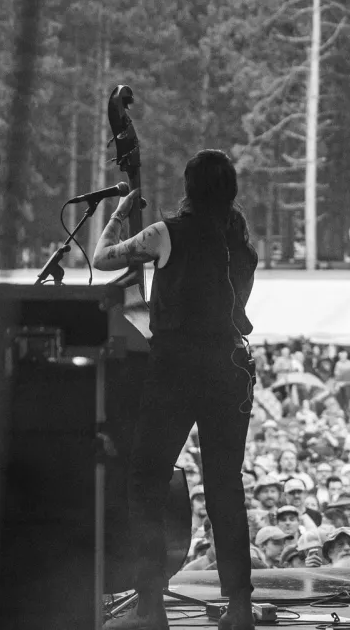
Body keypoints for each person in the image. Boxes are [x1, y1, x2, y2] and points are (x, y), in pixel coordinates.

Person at [94, 150, 258, 630]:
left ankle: (150, 606)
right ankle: (240, 605)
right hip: (230, 369)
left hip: (175, 370)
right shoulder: (241, 241)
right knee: (226, 487)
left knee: (145, 482)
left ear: (189, 186)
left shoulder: (168, 233)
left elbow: (104, 258)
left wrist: (122, 211)